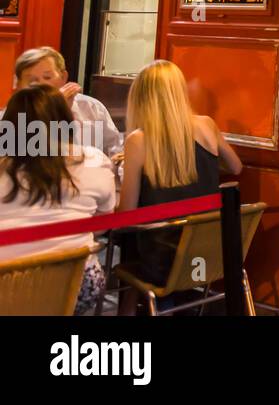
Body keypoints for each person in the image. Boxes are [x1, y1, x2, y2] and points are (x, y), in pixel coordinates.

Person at [118, 60, 242, 310]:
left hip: (163, 264)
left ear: (142, 97)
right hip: (210, 257)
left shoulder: (138, 141)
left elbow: (127, 216)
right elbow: (236, 167)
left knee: (124, 244)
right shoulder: (206, 124)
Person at [0, 85, 117, 314]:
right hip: (74, 287)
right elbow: (103, 223)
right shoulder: (94, 160)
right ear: (67, 121)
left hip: (6, 289)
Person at [13, 47, 123, 159]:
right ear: (19, 84)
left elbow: (114, 150)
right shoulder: (14, 112)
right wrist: (55, 109)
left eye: (47, 77)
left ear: (63, 77)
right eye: (32, 80)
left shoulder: (92, 107)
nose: (41, 85)